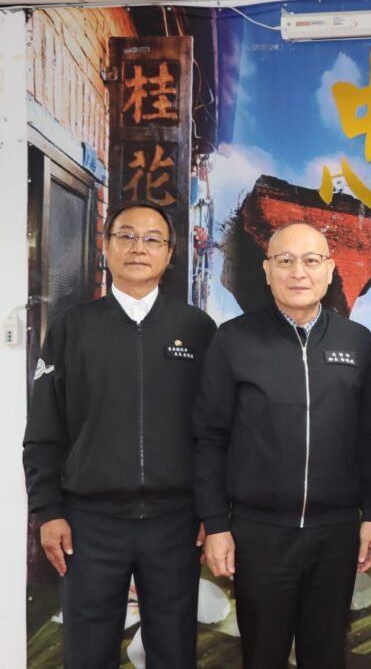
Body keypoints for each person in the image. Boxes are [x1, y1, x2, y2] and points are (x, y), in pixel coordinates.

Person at [23, 202, 216, 668]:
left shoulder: (197, 330)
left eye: (152, 239)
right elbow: (44, 429)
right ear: (105, 247)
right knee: (88, 654)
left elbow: (214, 432)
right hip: (88, 523)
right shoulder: (72, 328)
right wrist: (48, 510)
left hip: (176, 523)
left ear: (169, 254)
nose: (138, 248)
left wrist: (213, 511)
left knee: (174, 652)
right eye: (126, 236)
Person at [193, 223, 371, 669]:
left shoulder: (356, 341)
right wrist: (215, 523)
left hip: (336, 532)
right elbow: (209, 437)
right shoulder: (233, 339)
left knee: (326, 655)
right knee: (262, 655)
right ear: (267, 270)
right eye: (285, 261)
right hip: (259, 532)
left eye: (311, 261)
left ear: (329, 270)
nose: (299, 272)